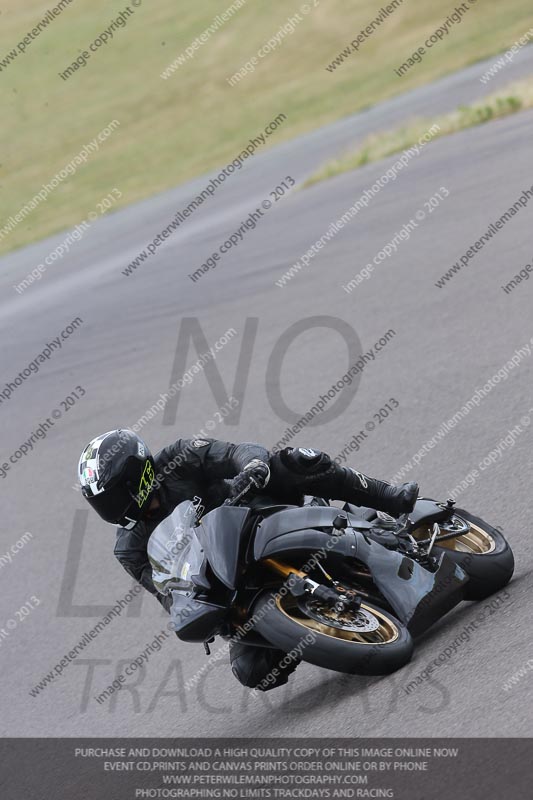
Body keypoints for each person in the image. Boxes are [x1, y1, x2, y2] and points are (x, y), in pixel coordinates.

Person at [78, 429, 418, 690]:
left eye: (113, 497)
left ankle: (388, 497)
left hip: (259, 515)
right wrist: (188, 608)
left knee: (295, 461)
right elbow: (166, 593)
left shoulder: (180, 458)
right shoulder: (129, 547)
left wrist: (252, 467)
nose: (112, 510)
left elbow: (236, 452)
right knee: (253, 671)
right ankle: (317, 627)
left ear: (136, 475)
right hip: (229, 580)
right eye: (101, 504)